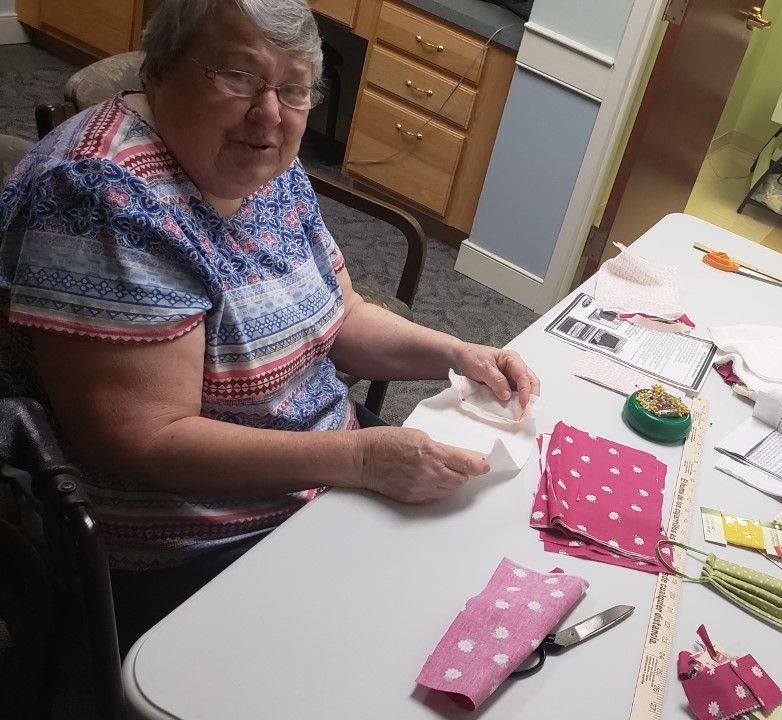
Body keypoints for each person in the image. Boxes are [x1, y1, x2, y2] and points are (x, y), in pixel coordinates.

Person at [0, 0, 538, 649]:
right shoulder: (100, 195)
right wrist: (362, 460)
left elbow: (342, 317)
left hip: (317, 473)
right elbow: (149, 441)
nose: (269, 114)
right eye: (237, 76)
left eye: (293, 89)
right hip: (195, 543)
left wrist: (457, 353)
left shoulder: (260, 166)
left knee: (483, 574)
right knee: (392, 651)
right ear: (161, 70)